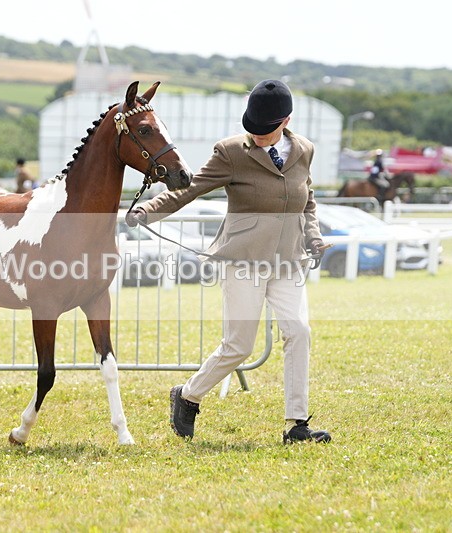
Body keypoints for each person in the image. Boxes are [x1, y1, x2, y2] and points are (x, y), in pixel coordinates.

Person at [126, 79, 331, 444]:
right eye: (253, 129)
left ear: (286, 121)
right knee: (239, 345)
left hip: (288, 260)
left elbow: (307, 199)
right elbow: (190, 189)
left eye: (265, 131)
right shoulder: (231, 152)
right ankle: (188, 395)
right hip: (243, 260)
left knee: (299, 332)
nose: (257, 136)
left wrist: (313, 236)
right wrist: (148, 210)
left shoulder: (304, 150)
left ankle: (296, 425)